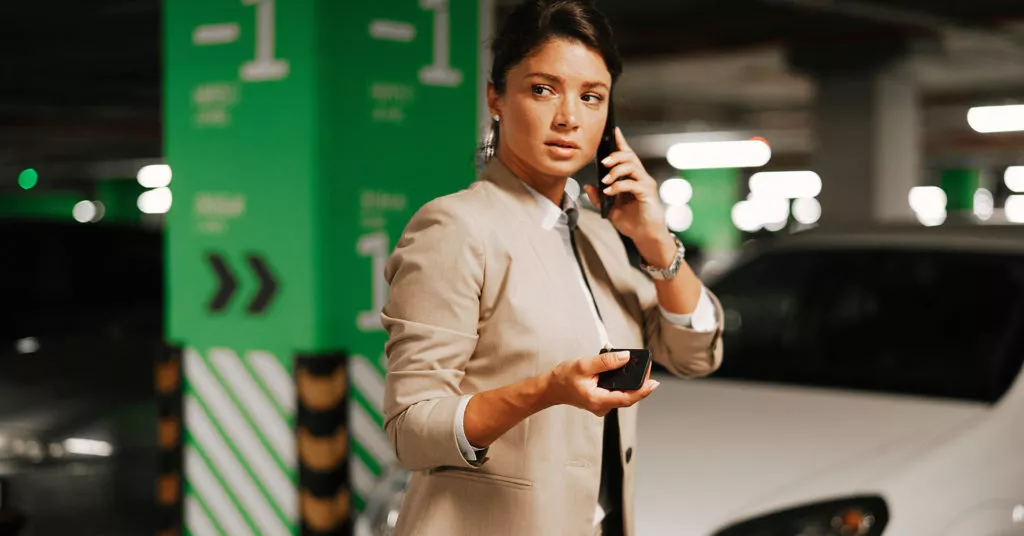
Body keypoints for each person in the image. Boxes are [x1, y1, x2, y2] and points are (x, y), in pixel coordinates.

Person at [381, 1, 724, 535]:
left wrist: (655, 239)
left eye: (592, 97)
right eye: (542, 89)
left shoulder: (603, 235)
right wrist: (545, 391)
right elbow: (411, 430)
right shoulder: (455, 227)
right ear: (496, 96)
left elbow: (695, 354)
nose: (569, 117)